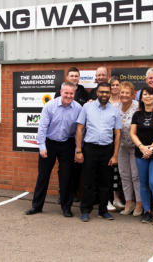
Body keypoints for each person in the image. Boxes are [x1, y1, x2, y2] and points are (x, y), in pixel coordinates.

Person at [25, 82, 82, 217]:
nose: (69, 96)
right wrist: (42, 146)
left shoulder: (78, 108)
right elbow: (42, 128)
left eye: (71, 93)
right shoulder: (50, 106)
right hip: (49, 143)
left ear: (74, 94)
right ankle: (37, 206)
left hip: (67, 143)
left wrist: (77, 150)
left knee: (66, 177)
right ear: (61, 92)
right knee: (43, 175)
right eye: (66, 93)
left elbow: (78, 131)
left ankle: (66, 208)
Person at [76, 82, 122, 222]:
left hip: (107, 150)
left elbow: (118, 134)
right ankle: (85, 210)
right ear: (97, 92)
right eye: (102, 92)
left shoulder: (114, 110)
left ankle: (103, 211)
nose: (104, 94)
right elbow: (79, 129)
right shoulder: (87, 107)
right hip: (90, 148)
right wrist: (79, 150)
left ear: (110, 93)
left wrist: (115, 155)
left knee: (105, 182)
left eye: (107, 92)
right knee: (88, 181)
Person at [130, 86, 153, 225]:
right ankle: (146, 212)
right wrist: (142, 148)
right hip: (140, 153)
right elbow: (133, 133)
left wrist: (150, 148)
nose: (147, 96)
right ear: (141, 98)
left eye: (150, 95)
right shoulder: (137, 114)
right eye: (145, 94)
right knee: (144, 183)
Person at [54, 67, 89, 204]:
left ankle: (73, 192)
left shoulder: (85, 93)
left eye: (76, 76)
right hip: (63, 138)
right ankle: (62, 193)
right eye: (72, 76)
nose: (74, 78)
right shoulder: (60, 92)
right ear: (67, 77)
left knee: (76, 167)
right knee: (64, 168)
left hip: (78, 137)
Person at [114, 81, 143, 216]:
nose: (124, 95)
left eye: (127, 93)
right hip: (121, 147)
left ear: (132, 94)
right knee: (124, 175)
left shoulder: (138, 107)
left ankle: (139, 203)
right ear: (119, 94)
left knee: (136, 176)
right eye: (122, 92)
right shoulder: (115, 107)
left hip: (136, 146)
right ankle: (128, 202)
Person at [108, 76, 125, 212]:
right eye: (112, 85)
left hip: (123, 142)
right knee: (108, 170)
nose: (115, 87)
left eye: (117, 85)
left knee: (118, 173)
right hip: (109, 141)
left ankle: (116, 198)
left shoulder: (124, 100)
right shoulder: (105, 101)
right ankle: (107, 199)